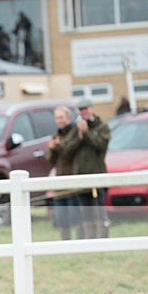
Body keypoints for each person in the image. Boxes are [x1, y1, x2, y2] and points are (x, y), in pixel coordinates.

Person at [61, 99, 111, 239]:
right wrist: (80, 136)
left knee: (99, 211)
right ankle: (87, 240)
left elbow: (101, 145)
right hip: (80, 176)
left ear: (91, 109)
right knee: (85, 212)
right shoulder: (76, 129)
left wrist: (87, 134)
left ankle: (102, 238)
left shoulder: (102, 127)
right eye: (81, 110)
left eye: (86, 109)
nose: (84, 112)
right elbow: (66, 149)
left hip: (97, 175)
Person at [46, 106, 82, 240]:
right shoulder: (56, 135)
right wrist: (52, 149)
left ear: (68, 118)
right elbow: (51, 160)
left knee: (75, 216)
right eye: (57, 118)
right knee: (61, 218)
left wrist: (58, 145)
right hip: (59, 183)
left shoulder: (74, 133)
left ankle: (80, 241)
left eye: (61, 117)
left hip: (73, 181)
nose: (59, 120)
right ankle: (64, 242)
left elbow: (69, 152)